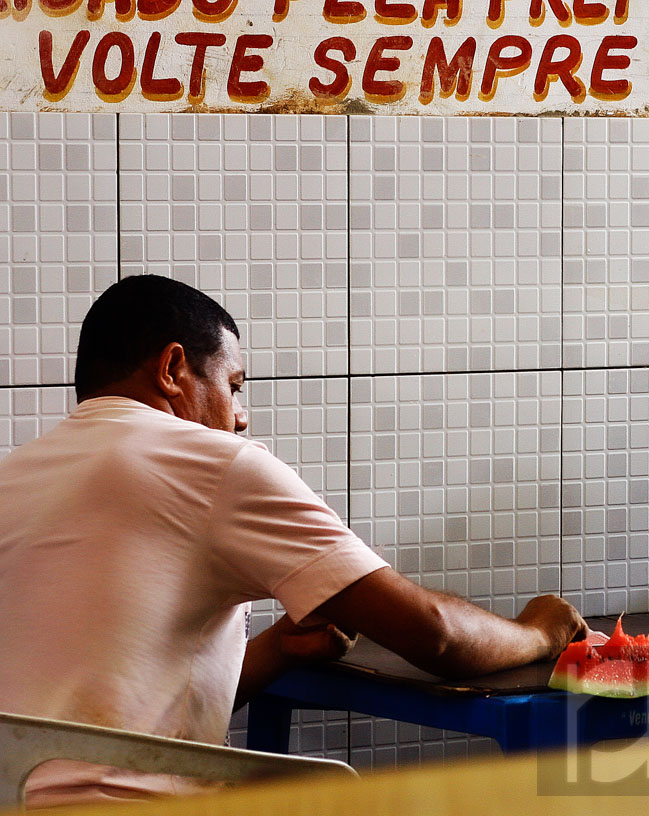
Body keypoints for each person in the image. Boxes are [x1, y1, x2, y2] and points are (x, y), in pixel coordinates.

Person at [0, 275, 587, 807]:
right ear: (173, 369)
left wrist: (280, 647)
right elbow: (435, 636)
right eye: (234, 385)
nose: (241, 416)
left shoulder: (15, 478)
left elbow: (118, 716)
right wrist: (540, 630)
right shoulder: (213, 465)